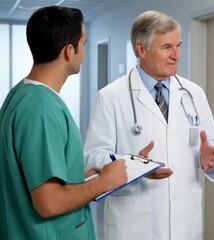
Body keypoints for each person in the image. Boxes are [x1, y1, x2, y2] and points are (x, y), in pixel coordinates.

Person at [83, 10, 214, 240]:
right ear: (141, 49)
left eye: (178, 46)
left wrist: (208, 159)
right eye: (167, 47)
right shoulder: (111, 96)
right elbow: (92, 157)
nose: (176, 55)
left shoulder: (193, 93)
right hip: (134, 226)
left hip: (185, 225)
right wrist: (135, 166)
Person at [0, 6, 128, 240]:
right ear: (69, 51)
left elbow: (29, 173)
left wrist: (79, 176)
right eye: (85, 43)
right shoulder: (42, 109)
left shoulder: (20, 95)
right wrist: (104, 183)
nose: (84, 51)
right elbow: (49, 202)